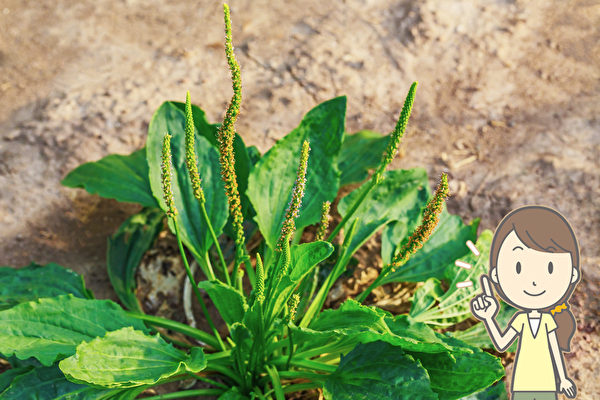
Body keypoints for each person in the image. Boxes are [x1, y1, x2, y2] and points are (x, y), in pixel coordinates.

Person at [470, 205, 580, 400]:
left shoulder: (547, 321)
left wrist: (562, 379)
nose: (535, 281)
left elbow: (554, 349)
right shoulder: (520, 319)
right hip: (523, 382)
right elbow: (502, 343)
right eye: (518, 268)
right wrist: (488, 318)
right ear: (496, 275)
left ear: (571, 275)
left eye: (549, 268)